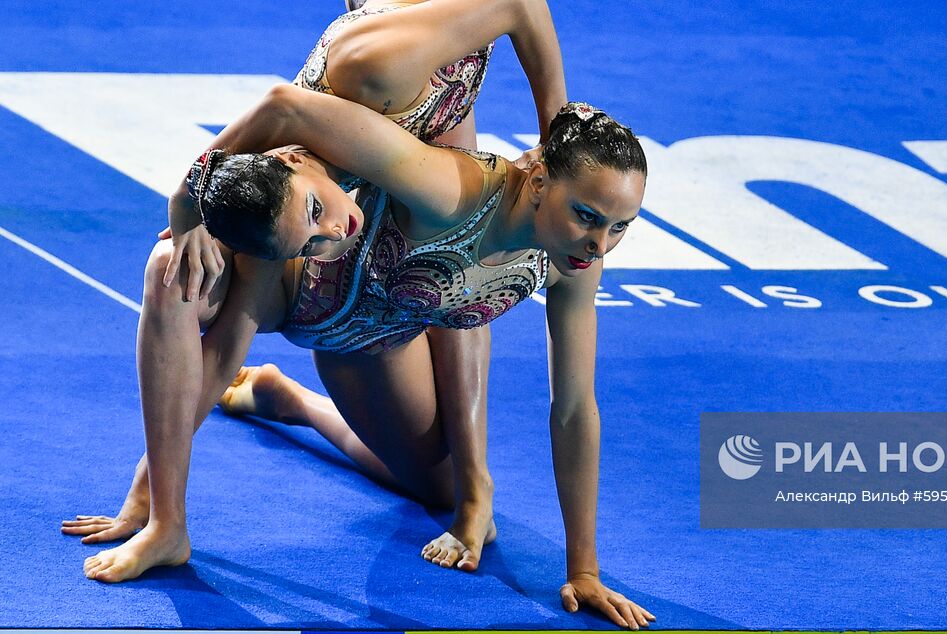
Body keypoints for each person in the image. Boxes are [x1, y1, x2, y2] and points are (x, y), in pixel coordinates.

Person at [61, 1, 656, 628]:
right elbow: (285, 113)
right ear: (539, 179)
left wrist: (582, 568)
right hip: (295, 264)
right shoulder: (437, 170)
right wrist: (186, 208)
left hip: (368, 335)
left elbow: (573, 407)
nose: (599, 244)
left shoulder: (570, 256)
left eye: (620, 227)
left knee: (442, 491)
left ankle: (288, 402)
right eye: (588, 217)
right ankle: (166, 519)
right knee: (170, 273)